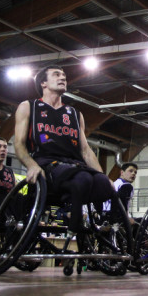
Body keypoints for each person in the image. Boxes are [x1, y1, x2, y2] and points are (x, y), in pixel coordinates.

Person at [14, 65, 112, 238]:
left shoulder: (74, 113)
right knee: (82, 178)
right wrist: (31, 165)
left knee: (103, 184)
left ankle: (108, 232)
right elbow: (19, 145)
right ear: (43, 83)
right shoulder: (29, 106)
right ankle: (75, 227)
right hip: (47, 163)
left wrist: (102, 176)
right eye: (56, 75)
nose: (63, 78)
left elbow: (86, 151)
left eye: (64, 76)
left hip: (75, 166)